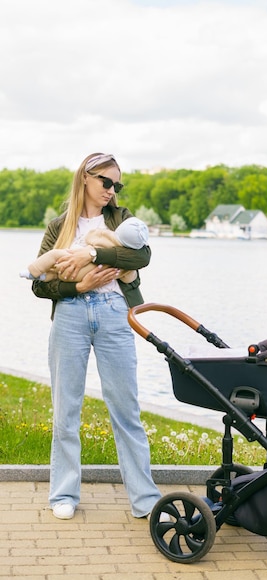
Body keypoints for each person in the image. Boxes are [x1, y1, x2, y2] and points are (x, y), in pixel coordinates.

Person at [31, 152, 166, 521]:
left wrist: (92, 250)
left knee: (127, 410)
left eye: (117, 185)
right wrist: (79, 286)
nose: (111, 190)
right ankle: (63, 494)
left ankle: (145, 500)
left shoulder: (121, 219)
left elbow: (142, 257)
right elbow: (40, 286)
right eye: (106, 182)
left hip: (114, 316)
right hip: (71, 317)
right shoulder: (59, 226)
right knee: (66, 410)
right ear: (85, 179)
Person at [21, 216, 148, 283]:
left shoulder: (106, 235)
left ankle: (33, 271)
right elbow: (129, 279)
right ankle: (44, 276)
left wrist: (92, 252)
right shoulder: (126, 263)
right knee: (57, 275)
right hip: (80, 277)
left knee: (55, 257)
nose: (111, 191)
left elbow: (90, 237)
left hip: (70, 264)